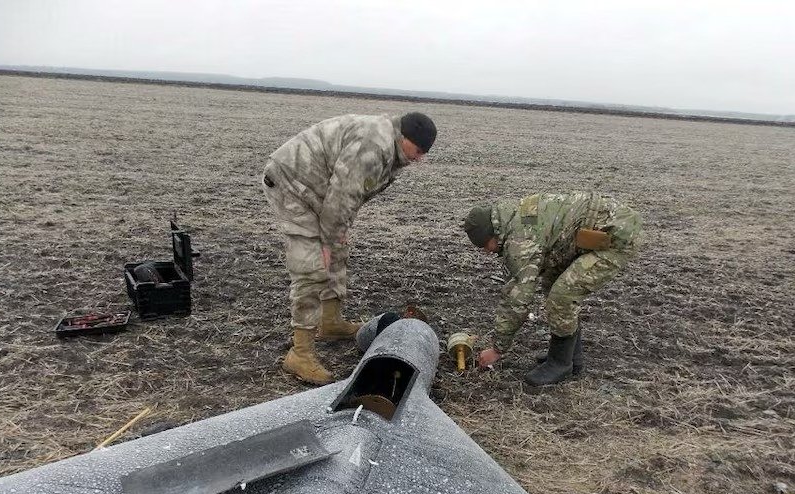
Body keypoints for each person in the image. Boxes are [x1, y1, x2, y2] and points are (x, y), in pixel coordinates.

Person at [261, 111, 437, 385]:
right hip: (293, 185)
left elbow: (349, 197)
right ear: (404, 137)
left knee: (337, 250)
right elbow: (343, 196)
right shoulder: (373, 146)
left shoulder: (389, 148)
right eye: (418, 150)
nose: (419, 158)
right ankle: (300, 353)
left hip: (319, 189)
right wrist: (329, 240)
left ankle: (330, 322)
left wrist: (336, 236)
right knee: (312, 265)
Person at [462, 191, 642, 387]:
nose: (487, 252)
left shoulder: (519, 240)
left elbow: (517, 298)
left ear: (492, 234)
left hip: (615, 236)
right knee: (553, 285)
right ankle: (573, 358)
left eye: (485, 246)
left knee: (562, 296)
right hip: (588, 234)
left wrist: (497, 349)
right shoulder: (511, 218)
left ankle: (560, 363)